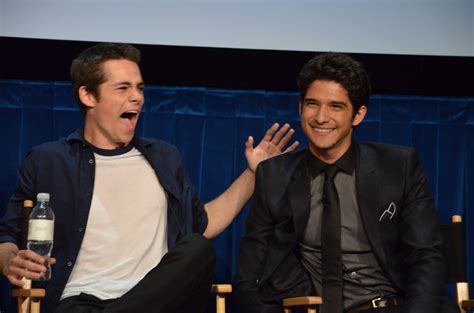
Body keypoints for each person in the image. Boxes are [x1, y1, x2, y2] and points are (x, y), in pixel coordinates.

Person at [0, 43, 298, 313]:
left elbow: (202, 225)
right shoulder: (49, 159)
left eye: (140, 88)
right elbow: (8, 235)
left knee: (197, 248)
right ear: (87, 95)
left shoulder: (164, 158)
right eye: (123, 88)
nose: (137, 98)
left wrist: (252, 174)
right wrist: (9, 259)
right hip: (80, 303)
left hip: (156, 301)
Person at [235, 52, 458, 313]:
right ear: (299, 108)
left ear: (358, 114)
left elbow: (426, 257)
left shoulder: (398, 166)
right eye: (312, 104)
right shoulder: (275, 175)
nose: (321, 117)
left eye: (336, 106)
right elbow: (250, 275)